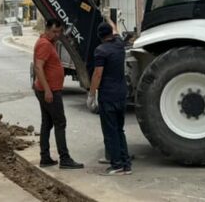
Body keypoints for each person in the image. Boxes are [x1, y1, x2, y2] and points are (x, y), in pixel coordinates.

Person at [33, 18, 84, 169]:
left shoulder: (48, 42)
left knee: (47, 123)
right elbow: (38, 67)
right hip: (50, 91)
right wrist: (48, 90)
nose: (57, 34)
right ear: (47, 29)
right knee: (60, 123)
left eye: (59, 31)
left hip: (46, 89)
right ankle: (65, 158)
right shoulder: (44, 44)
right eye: (54, 31)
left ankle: (45, 157)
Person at [89, 19, 131, 175]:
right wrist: (108, 18)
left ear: (100, 35)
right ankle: (126, 164)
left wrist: (92, 94)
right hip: (121, 94)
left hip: (108, 96)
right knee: (120, 130)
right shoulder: (120, 44)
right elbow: (115, 30)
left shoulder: (101, 51)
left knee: (110, 131)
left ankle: (117, 164)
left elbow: (97, 74)